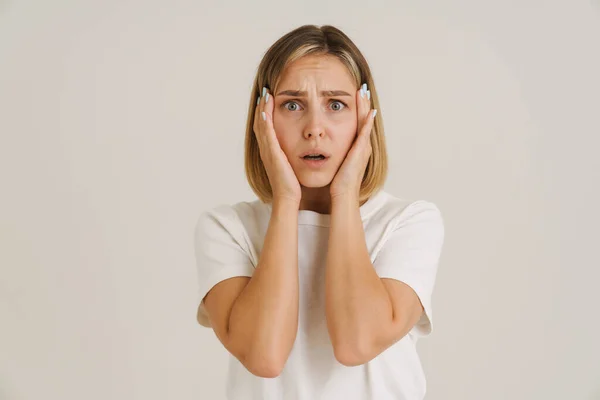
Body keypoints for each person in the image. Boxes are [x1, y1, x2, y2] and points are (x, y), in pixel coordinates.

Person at [194, 24, 445, 400]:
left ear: (365, 117)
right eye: (292, 105)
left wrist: (345, 195)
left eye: (336, 105)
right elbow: (265, 357)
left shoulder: (409, 223)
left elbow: (356, 344)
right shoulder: (228, 228)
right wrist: (285, 201)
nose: (314, 129)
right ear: (263, 118)